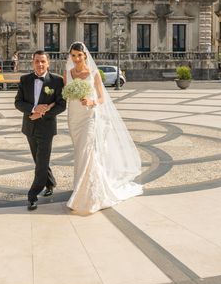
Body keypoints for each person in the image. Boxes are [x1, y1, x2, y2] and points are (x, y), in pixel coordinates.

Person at [64, 42, 143, 214]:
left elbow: (101, 98)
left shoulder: (93, 73)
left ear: (85, 55)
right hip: (74, 117)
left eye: (79, 55)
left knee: (87, 151)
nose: (76, 58)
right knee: (80, 152)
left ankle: (86, 195)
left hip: (89, 117)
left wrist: (92, 102)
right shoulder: (68, 73)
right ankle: (81, 186)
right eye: (73, 55)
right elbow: (66, 94)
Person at [14, 51, 66, 211]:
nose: (40, 64)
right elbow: (18, 102)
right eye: (37, 61)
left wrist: (42, 113)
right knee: (39, 160)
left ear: (48, 63)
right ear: (33, 63)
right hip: (29, 126)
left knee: (41, 162)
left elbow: (61, 105)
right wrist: (34, 109)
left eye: (43, 61)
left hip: (46, 128)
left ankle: (32, 195)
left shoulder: (57, 81)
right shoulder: (25, 79)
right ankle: (50, 183)